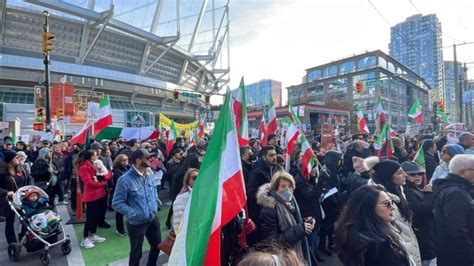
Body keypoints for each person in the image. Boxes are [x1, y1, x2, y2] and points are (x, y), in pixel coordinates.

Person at [335, 185, 410, 266]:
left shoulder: (352, 231)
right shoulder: (378, 246)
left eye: (391, 202)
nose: (392, 207)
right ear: (368, 208)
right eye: (386, 204)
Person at [112, 148, 162, 266]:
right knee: (136, 254)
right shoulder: (124, 180)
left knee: (157, 247)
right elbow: (117, 202)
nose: (151, 159)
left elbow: (153, 189)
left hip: (152, 218)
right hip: (137, 223)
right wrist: (133, 213)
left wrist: (155, 202)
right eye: (147, 158)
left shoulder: (149, 173)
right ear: (138, 161)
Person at [257, 171, 314, 265]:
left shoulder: (290, 202)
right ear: (275, 188)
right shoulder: (269, 209)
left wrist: (304, 222)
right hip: (284, 258)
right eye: (283, 186)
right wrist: (299, 229)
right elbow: (272, 242)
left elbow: (292, 223)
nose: (288, 190)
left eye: (290, 186)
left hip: (295, 253)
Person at [370, 160, 421, 265]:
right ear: (388, 177)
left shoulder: (398, 191)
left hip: (409, 245)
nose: (405, 175)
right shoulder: (380, 201)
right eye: (399, 173)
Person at [433, 154, 474, 266]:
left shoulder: (454, 188)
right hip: (458, 256)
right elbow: (457, 228)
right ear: (462, 172)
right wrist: (470, 251)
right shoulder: (456, 193)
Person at [401, 161, 435, 266]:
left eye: (419, 174)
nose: (417, 176)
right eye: (412, 174)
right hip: (421, 237)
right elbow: (421, 209)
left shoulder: (415, 189)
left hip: (428, 236)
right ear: (405, 176)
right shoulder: (406, 190)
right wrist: (429, 195)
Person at [78, 150, 112, 249]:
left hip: (100, 194)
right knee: (90, 218)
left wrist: (103, 177)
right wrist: (104, 182)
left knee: (96, 216)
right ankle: (85, 239)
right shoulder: (84, 167)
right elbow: (89, 183)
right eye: (96, 154)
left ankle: (93, 234)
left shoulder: (97, 164)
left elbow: (109, 173)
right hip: (91, 195)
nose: (97, 155)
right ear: (91, 157)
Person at [246, 146, 281, 236]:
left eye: (275, 155)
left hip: (277, 211)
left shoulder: (278, 169)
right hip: (262, 214)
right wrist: (268, 193)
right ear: (264, 157)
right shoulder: (256, 172)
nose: (275, 157)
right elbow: (251, 194)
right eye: (271, 155)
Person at [293, 166, 324, 261]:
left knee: (314, 241)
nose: (315, 170)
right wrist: (320, 182)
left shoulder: (309, 179)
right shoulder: (300, 181)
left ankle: (315, 255)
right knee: (309, 243)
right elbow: (310, 196)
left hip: (314, 214)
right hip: (308, 217)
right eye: (313, 168)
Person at [0, 151, 28, 243]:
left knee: (25, 217)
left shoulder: (20, 168)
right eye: (16, 157)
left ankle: (24, 237)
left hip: (21, 198)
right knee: (10, 222)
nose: (19, 158)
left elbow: (27, 180)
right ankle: (12, 243)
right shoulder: (2, 172)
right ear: (10, 160)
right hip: (9, 201)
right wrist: (6, 192)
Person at [112, 154, 130, 236]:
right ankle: (119, 229)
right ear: (119, 161)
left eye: (127, 159)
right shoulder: (117, 170)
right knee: (120, 212)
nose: (126, 161)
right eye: (124, 160)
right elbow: (119, 181)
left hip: (129, 191)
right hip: (121, 192)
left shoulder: (129, 167)